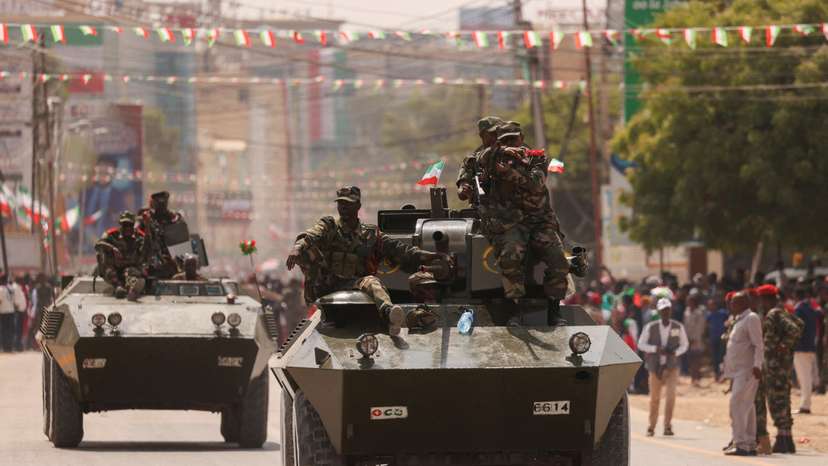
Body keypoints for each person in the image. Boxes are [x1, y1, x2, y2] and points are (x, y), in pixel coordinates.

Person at [286, 186, 444, 336]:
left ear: (358, 206)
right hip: (325, 282)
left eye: (348, 203)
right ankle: (313, 304)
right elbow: (312, 235)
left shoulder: (370, 234)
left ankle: (389, 313)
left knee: (372, 282)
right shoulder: (329, 225)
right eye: (340, 203)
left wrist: (432, 256)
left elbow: (401, 250)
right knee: (308, 250)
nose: (343, 207)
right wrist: (298, 248)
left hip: (353, 282)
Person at [466, 122, 572, 324]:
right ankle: (515, 309)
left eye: (514, 138)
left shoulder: (536, 157)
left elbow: (535, 183)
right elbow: (478, 159)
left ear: (521, 138)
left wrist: (509, 173)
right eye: (506, 140)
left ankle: (554, 309)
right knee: (510, 258)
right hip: (512, 223)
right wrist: (501, 152)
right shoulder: (494, 157)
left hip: (540, 222)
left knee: (559, 260)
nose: (512, 143)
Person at [754, 284, 803, 454]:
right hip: (779, 366)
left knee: (777, 402)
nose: (760, 303)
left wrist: (784, 346)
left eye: (761, 299)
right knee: (782, 401)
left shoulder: (774, 313)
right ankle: (786, 440)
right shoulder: (782, 312)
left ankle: (783, 440)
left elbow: (794, 329)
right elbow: (800, 323)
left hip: (776, 367)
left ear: (766, 299)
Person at [637, 297, 689, 437]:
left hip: (672, 366)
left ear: (670, 310)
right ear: (659, 312)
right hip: (655, 367)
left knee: (671, 396)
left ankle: (667, 426)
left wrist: (675, 352)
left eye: (667, 310)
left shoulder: (678, 326)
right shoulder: (651, 327)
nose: (665, 312)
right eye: (663, 310)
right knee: (655, 398)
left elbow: (685, 344)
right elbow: (641, 344)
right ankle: (651, 426)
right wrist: (655, 349)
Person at [722, 291, 764, 456]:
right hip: (738, 371)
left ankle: (740, 444)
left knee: (737, 405)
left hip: (747, 370)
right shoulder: (739, 320)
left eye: (734, 302)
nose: (731, 305)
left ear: (744, 303)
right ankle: (749, 444)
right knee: (747, 406)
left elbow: (758, 344)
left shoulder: (751, 318)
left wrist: (757, 365)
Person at [95, 211, 146, 301]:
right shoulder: (111, 234)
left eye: (130, 225)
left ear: (133, 225)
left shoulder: (139, 236)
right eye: (125, 225)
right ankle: (118, 287)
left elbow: (148, 248)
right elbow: (98, 245)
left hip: (130, 267)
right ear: (120, 225)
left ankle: (132, 290)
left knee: (131, 273)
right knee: (107, 262)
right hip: (112, 268)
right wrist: (112, 248)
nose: (127, 228)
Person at [456, 116, 503, 203]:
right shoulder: (472, 160)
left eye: (499, 133)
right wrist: (465, 189)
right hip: (483, 209)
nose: (496, 137)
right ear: (482, 135)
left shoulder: (511, 153)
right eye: (492, 133)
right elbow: (461, 193)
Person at [138, 191, 184, 279]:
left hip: (170, 253)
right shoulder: (145, 217)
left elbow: (181, 237)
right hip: (150, 253)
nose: (161, 205)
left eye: (163, 202)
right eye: (158, 202)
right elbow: (136, 232)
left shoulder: (173, 217)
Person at [792, 287, 819, 414]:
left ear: (796, 296)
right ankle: (805, 404)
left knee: (804, 378)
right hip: (810, 345)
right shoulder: (810, 309)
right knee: (806, 377)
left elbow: (796, 329)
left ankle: (805, 406)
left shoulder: (798, 309)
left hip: (801, 347)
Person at [684, 291, 707, 386]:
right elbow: (685, 326)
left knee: (697, 359)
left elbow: (700, 327)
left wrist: (694, 338)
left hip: (696, 340)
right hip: (687, 339)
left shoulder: (699, 313)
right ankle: (693, 377)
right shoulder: (686, 312)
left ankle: (697, 378)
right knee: (690, 359)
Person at [707, 297, 729, 381]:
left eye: (712, 305)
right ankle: (716, 374)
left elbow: (728, 323)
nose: (710, 306)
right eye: (709, 305)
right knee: (714, 357)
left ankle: (723, 374)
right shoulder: (709, 315)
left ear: (716, 305)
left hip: (722, 338)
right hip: (713, 338)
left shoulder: (723, 313)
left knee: (721, 357)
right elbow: (707, 326)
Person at [29, 273, 53, 349]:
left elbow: (50, 298)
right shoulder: (38, 288)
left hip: (46, 309)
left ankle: (45, 344)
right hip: (40, 309)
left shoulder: (48, 287)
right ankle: (38, 344)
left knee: (46, 327)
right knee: (38, 327)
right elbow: (36, 299)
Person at [0, 275, 15, 352]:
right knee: (10, 330)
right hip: (11, 311)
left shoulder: (1, 289)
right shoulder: (11, 288)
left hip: (3, 311)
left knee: (4, 330)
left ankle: (5, 347)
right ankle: (10, 346)